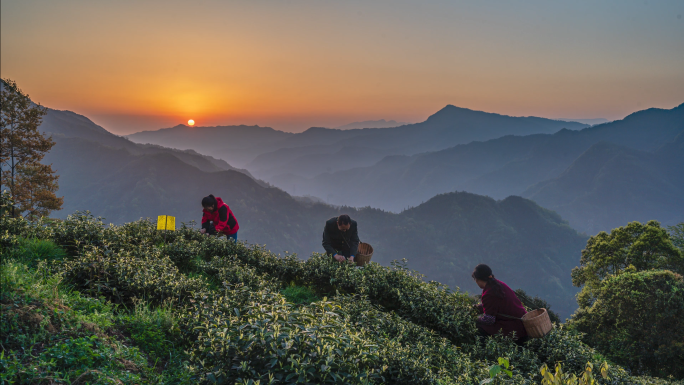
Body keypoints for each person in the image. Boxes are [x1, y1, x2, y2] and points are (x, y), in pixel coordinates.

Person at [472, 264, 529, 344]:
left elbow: (489, 320)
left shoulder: (489, 292)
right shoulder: (497, 284)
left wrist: (473, 319)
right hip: (522, 324)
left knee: (479, 327)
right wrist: (475, 309)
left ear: (478, 279)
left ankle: (484, 352)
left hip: (513, 329)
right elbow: (492, 305)